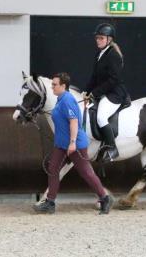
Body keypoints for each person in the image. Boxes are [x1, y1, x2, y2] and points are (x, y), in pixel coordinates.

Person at [33, 72, 114, 214]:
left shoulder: (67, 100)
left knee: (86, 172)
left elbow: (74, 122)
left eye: (55, 84)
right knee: (53, 169)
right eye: (52, 84)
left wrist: (72, 143)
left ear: (63, 86)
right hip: (61, 144)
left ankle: (104, 197)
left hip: (74, 143)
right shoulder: (60, 99)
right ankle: (50, 202)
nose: (52, 87)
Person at [84, 23, 129, 163]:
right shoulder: (100, 54)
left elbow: (113, 80)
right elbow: (94, 77)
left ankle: (112, 148)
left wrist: (94, 93)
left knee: (101, 117)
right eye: (97, 38)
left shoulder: (113, 55)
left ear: (109, 39)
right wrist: (87, 91)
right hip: (104, 92)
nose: (98, 40)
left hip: (115, 93)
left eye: (101, 38)